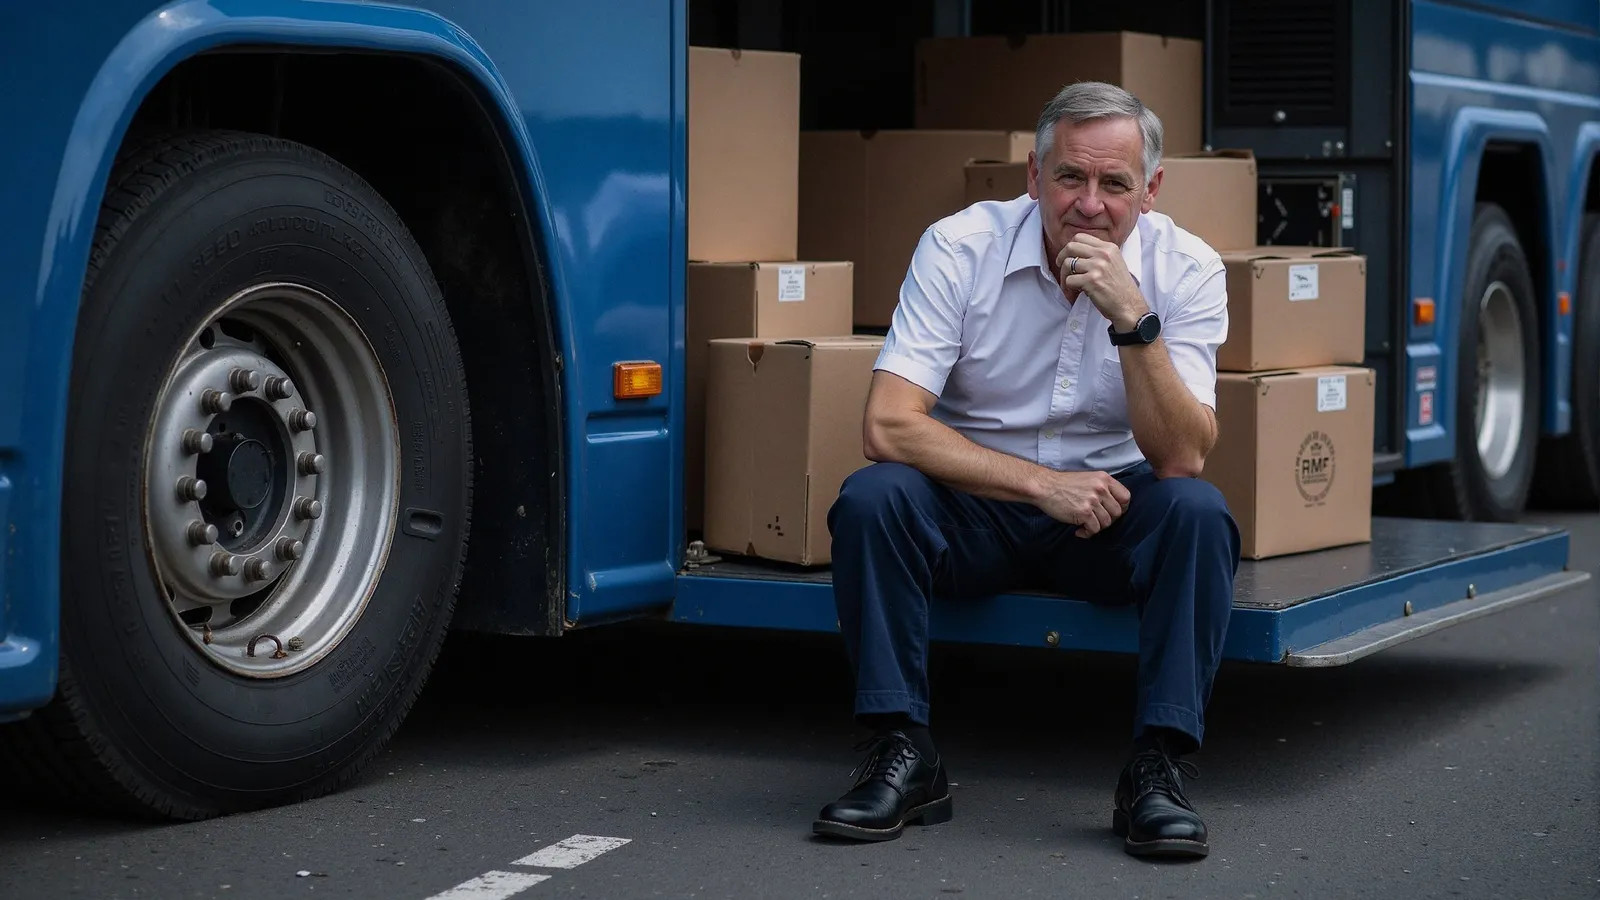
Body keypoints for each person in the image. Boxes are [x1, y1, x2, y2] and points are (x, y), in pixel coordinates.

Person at [809, 80, 1241, 860]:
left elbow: (1182, 454)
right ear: (1034, 178)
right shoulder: (959, 245)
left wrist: (1132, 319)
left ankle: (1156, 767)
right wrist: (1042, 486)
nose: (1089, 203)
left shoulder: (1189, 268)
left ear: (1150, 190)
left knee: (1198, 512)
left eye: (1115, 184)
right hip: (978, 504)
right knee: (874, 497)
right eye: (1070, 177)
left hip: (1112, 510)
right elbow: (887, 424)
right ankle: (903, 752)